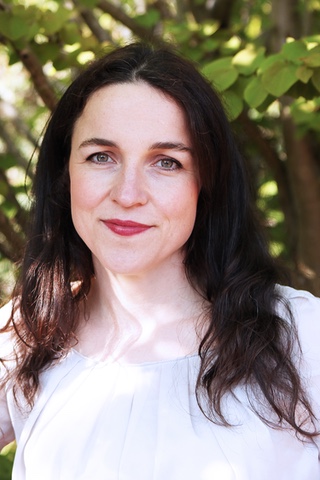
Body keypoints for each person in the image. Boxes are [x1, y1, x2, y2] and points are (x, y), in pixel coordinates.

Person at [0, 42, 319, 479]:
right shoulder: (28, 334)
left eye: (166, 162)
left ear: (206, 183)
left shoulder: (298, 336)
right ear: (64, 173)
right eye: (101, 157)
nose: (128, 194)